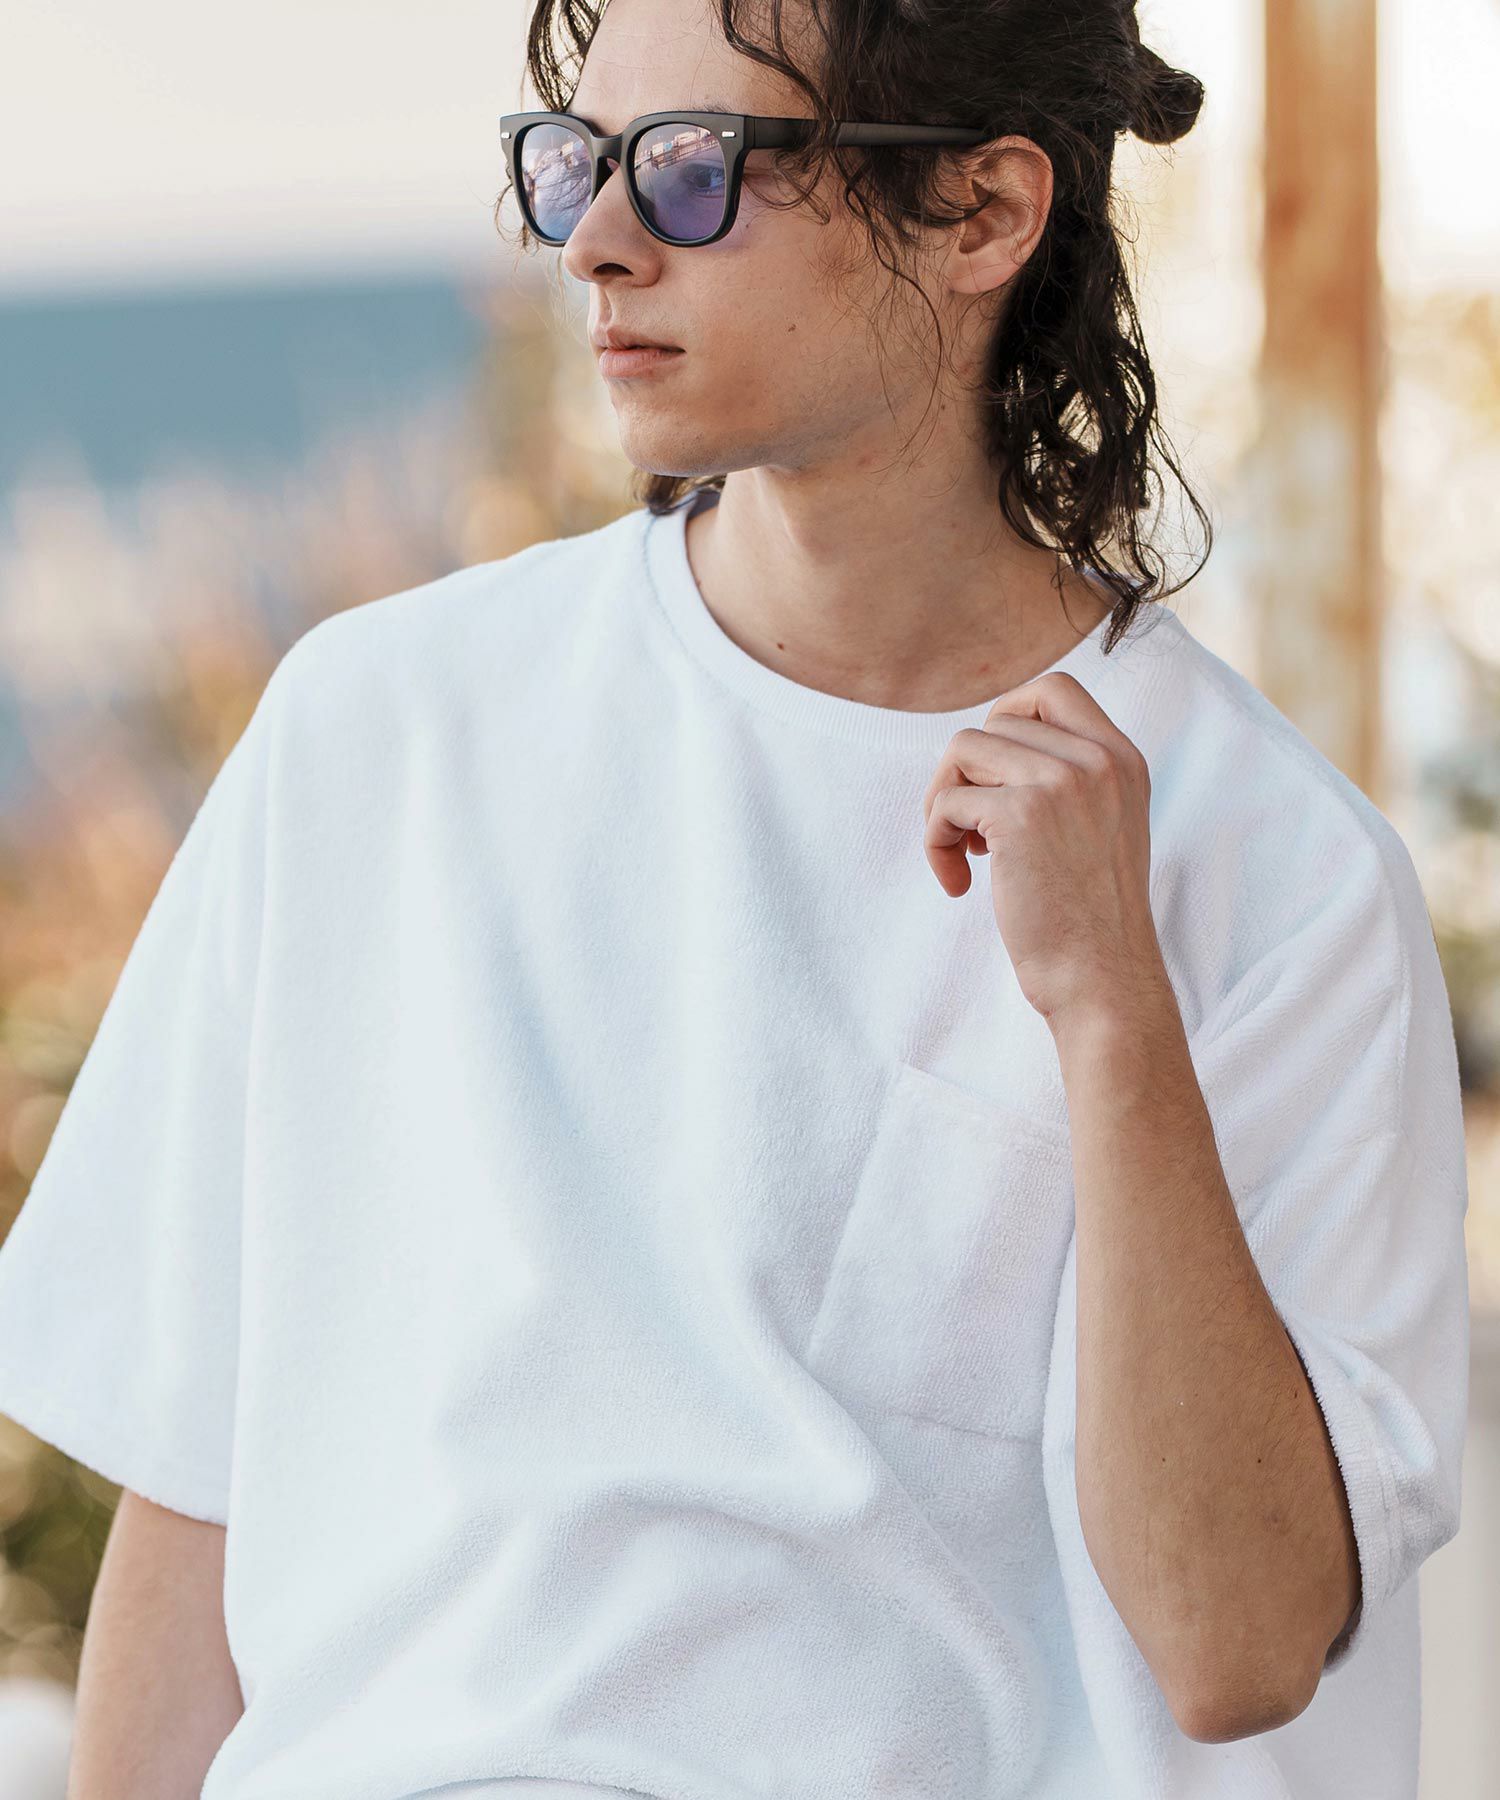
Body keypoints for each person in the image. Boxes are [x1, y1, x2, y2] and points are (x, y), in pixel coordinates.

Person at [0, 0, 1470, 1795]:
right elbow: (198, 1495)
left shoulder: (1279, 873)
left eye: (697, 169)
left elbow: (1236, 1648)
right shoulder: (379, 729)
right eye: (576, 165)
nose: (597, 243)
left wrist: (1111, 1016)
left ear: (983, 213)